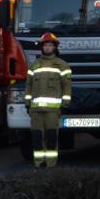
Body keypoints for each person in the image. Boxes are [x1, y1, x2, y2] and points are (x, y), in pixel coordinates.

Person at [26, 32, 73, 169]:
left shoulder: (62, 65)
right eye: (45, 45)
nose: (47, 47)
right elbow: (28, 85)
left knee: (51, 137)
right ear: (41, 47)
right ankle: (39, 163)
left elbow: (67, 86)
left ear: (55, 47)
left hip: (53, 110)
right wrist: (27, 104)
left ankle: (51, 164)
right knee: (36, 137)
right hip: (35, 110)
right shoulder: (34, 65)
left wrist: (64, 105)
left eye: (50, 45)